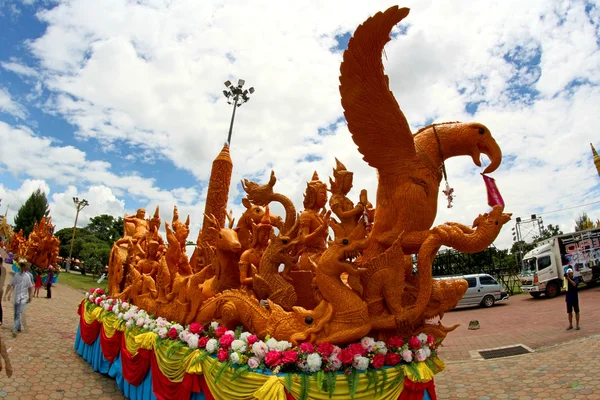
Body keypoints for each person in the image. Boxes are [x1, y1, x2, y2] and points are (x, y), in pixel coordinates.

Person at [8, 261, 33, 337]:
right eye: (21, 266)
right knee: (16, 313)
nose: (22, 268)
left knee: (18, 313)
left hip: (23, 297)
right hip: (16, 296)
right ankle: (18, 327)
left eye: (23, 266)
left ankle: (15, 329)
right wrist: (8, 294)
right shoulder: (16, 275)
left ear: (25, 267)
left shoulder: (28, 276)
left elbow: (30, 287)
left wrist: (30, 296)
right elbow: (12, 284)